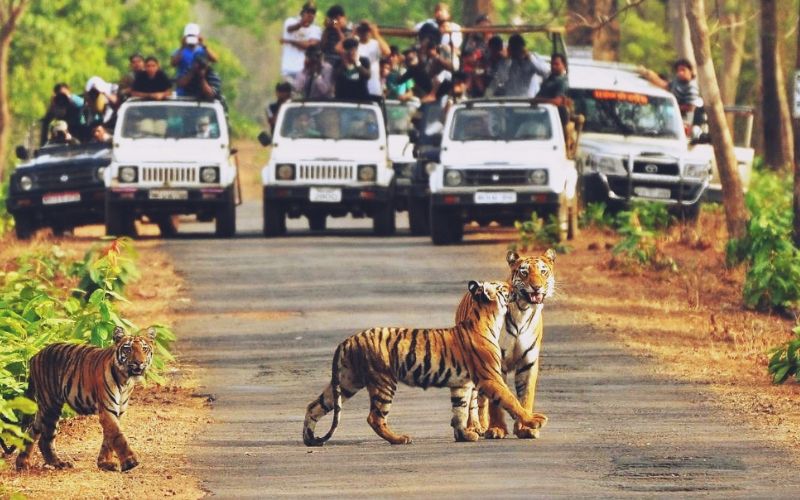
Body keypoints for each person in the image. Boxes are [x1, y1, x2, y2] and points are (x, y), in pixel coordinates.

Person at [638, 58, 702, 125]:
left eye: (683, 70)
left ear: (690, 71)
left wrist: (671, 106)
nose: (680, 73)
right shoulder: (677, 81)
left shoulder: (692, 86)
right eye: (678, 70)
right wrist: (649, 75)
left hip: (681, 120)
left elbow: (690, 107)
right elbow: (666, 86)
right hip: (668, 116)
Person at [171, 23, 219, 96]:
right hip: (183, 88)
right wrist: (182, 47)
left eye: (193, 36)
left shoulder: (203, 50)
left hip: (201, 86)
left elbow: (215, 59)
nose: (191, 39)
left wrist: (203, 45)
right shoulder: (179, 51)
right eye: (189, 36)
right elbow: (173, 63)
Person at [280, 3, 322, 84]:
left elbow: (309, 45)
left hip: (304, 73)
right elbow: (290, 29)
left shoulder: (316, 29)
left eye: (313, 12)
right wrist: (301, 24)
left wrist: (290, 41)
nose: (310, 15)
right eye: (308, 12)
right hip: (288, 70)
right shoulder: (290, 21)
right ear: (302, 12)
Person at [416, 2, 462, 69]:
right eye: (437, 11)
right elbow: (417, 28)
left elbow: (454, 47)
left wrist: (439, 51)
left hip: (446, 55)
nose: (439, 13)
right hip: (431, 54)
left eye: (442, 11)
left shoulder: (455, 27)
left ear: (448, 14)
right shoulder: (430, 24)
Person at [355, 21, 390, 97]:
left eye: (367, 30)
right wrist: (353, 33)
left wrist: (376, 33)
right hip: (357, 86)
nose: (365, 33)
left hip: (373, 87)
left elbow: (387, 52)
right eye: (362, 30)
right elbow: (339, 49)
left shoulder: (376, 43)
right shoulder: (354, 44)